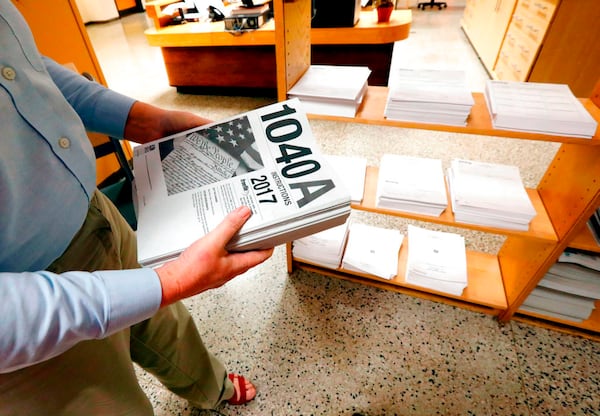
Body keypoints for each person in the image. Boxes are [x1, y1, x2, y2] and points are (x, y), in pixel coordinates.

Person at [0, 1, 274, 414]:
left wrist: (146, 121)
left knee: (167, 325)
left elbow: (27, 68)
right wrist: (170, 281)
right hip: (32, 306)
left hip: (94, 213)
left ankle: (209, 386)